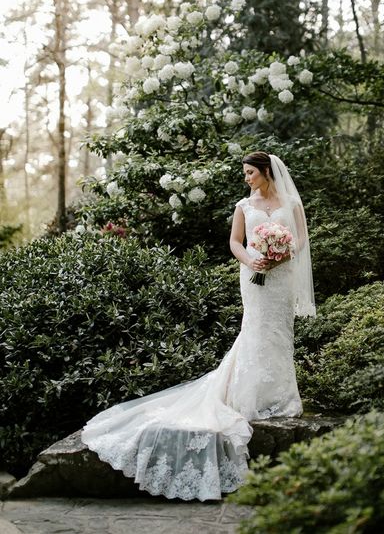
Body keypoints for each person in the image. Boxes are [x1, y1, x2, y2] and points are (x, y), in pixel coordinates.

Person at [81, 152, 315, 501]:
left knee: (279, 331)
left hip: (280, 276)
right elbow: (235, 242)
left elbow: (300, 238)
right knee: (255, 328)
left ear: (266, 172)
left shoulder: (290, 203)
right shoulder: (243, 207)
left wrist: (283, 253)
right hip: (254, 276)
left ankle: (279, 396)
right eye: (245, 173)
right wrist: (253, 258)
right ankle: (248, 395)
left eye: (251, 173)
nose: (247, 178)